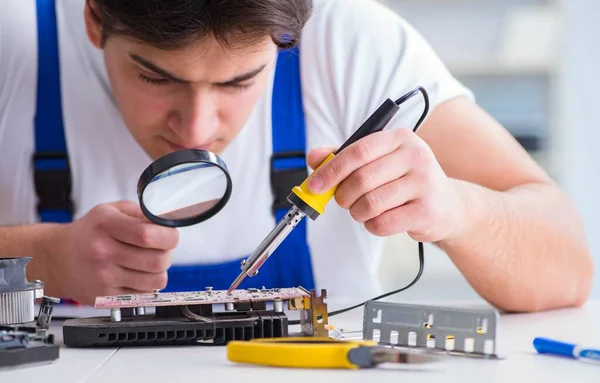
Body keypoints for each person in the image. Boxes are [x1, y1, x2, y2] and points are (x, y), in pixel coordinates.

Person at [0, 0, 593, 313]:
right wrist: (37, 258)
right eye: (155, 77)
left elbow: (567, 268)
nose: (197, 129)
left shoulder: (351, 40)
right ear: (95, 17)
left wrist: (458, 210)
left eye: (238, 83)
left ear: (288, 40)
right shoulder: (15, 43)